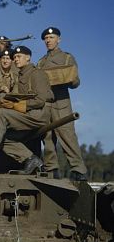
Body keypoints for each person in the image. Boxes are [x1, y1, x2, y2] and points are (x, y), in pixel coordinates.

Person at [0, 46, 53, 174]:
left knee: (1, 114)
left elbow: (41, 100)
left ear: (28, 58)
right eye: (14, 57)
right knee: (2, 137)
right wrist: (6, 102)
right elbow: (16, 97)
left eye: (19, 57)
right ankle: (30, 159)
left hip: (38, 114)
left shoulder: (37, 74)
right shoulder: (20, 76)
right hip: (28, 115)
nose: (16, 59)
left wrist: (17, 106)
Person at [37, 27, 87, 181]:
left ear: (59, 39)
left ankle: (79, 170)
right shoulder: (40, 62)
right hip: (45, 103)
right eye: (46, 38)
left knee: (67, 135)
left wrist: (70, 79)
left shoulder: (67, 58)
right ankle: (51, 168)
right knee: (47, 136)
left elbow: (75, 82)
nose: (48, 40)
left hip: (61, 103)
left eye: (51, 37)